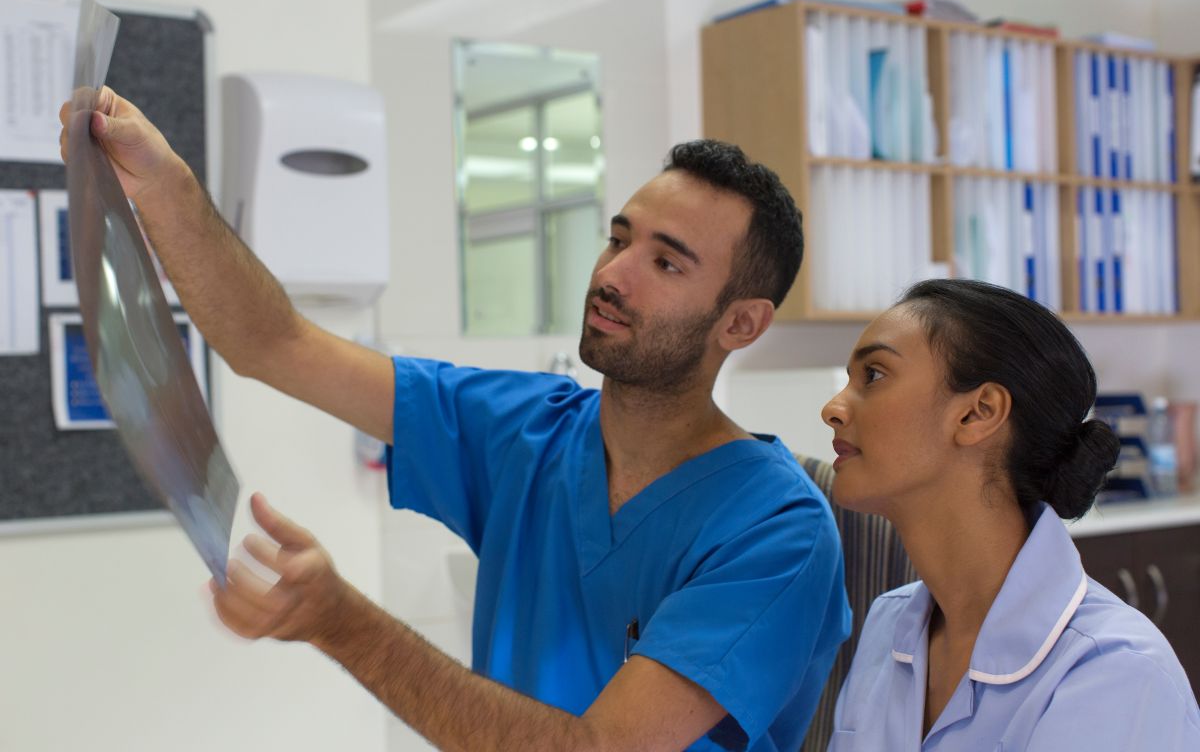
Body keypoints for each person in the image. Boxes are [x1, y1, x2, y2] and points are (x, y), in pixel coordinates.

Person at [61, 88, 850, 751]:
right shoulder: (526, 432)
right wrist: (165, 186)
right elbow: (274, 342)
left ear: (740, 325)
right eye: (618, 239)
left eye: (665, 261)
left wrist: (343, 623)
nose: (612, 275)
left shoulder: (777, 529)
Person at [820, 278, 1200, 751]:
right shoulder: (888, 623)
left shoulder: (1115, 672)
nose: (832, 409)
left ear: (978, 413)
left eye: (873, 375)